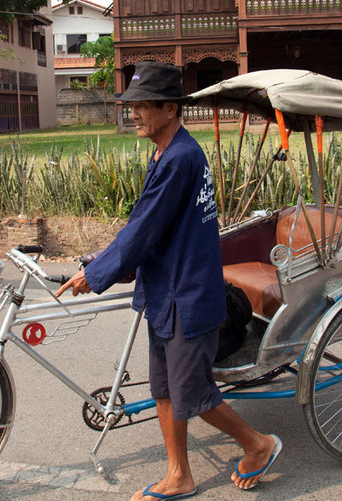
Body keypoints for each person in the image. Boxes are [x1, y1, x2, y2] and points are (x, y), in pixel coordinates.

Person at [56, 61, 281, 499]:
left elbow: (142, 230)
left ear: (169, 107)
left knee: (192, 391)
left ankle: (258, 444)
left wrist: (96, 274)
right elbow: (147, 223)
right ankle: (180, 473)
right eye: (131, 105)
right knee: (163, 387)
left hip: (188, 294)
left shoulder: (180, 157)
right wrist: (103, 260)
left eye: (141, 106)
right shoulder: (166, 152)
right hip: (165, 291)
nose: (133, 113)